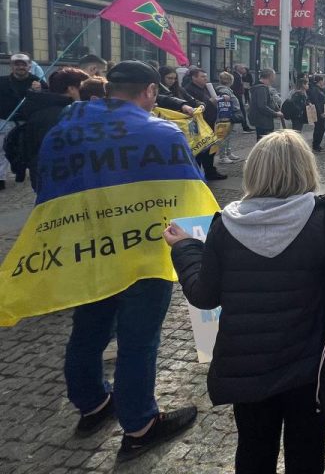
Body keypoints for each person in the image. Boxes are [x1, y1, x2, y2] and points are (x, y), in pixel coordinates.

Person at [164, 130, 325, 473]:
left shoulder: (224, 225)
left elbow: (204, 295)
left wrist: (185, 248)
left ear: (254, 170)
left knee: (253, 453)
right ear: (307, 169)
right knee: (306, 455)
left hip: (247, 372)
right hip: (310, 369)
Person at [58, 61, 198, 459]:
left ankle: (92, 405)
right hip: (143, 252)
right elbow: (187, 191)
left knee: (87, 330)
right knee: (138, 341)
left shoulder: (69, 128)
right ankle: (139, 426)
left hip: (89, 248)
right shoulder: (162, 132)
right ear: (151, 92)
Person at [20, 67, 89, 191]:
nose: (85, 93)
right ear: (71, 89)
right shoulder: (68, 114)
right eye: (82, 89)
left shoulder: (39, 108)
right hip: (63, 182)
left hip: (43, 179)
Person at [0, 53, 45, 188]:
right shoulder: (2, 81)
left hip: (28, 122)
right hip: (6, 120)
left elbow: (47, 99)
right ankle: (0, 177)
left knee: (28, 149)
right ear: (11, 66)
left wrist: (40, 91)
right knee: (2, 149)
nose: (20, 67)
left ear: (29, 66)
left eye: (23, 64)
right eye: (17, 64)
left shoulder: (37, 81)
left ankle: (23, 171)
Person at [183, 67, 227, 182]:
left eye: (206, 76)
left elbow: (216, 95)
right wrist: (209, 102)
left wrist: (221, 97)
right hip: (199, 124)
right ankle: (197, 175)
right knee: (199, 149)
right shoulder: (188, 89)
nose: (205, 79)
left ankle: (210, 171)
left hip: (211, 122)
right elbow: (195, 106)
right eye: (202, 76)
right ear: (194, 77)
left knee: (211, 148)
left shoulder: (206, 88)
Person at [214, 72, 243, 166]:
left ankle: (228, 153)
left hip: (229, 115)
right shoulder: (224, 90)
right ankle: (223, 156)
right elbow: (225, 100)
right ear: (230, 81)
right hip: (225, 116)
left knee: (228, 136)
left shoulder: (226, 89)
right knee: (224, 137)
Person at [249, 69, 283, 141]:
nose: (274, 78)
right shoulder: (262, 88)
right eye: (274, 76)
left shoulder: (259, 87)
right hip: (263, 121)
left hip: (261, 120)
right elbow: (262, 106)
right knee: (265, 142)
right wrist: (275, 113)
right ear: (270, 76)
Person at [231, 64, 254, 132]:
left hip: (238, 95)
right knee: (242, 111)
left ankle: (242, 126)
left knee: (236, 110)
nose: (244, 69)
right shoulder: (236, 76)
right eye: (242, 68)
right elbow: (235, 86)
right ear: (239, 69)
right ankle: (245, 127)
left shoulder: (239, 75)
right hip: (237, 95)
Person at [307, 75, 325, 152]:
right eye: (323, 80)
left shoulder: (320, 89)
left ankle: (317, 144)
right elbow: (316, 102)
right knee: (319, 128)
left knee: (321, 128)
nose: (324, 82)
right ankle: (316, 145)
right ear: (320, 81)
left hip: (322, 111)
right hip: (318, 112)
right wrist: (320, 112)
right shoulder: (315, 89)